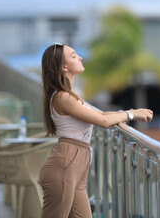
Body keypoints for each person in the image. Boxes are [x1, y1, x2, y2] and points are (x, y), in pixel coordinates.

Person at [39, 43, 153, 218]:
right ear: (64, 66)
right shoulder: (63, 97)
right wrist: (132, 114)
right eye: (74, 55)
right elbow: (104, 121)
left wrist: (127, 113)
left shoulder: (70, 96)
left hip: (75, 168)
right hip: (64, 166)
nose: (80, 57)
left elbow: (102, 114)